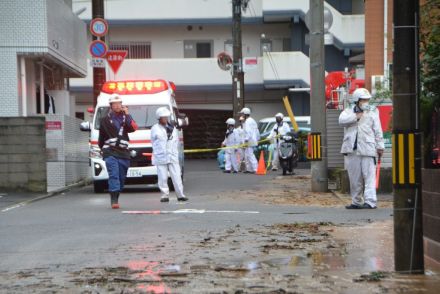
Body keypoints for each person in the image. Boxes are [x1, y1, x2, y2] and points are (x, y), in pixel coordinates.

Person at [339, 88, 384, 209]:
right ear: (357, 100)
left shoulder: (374, 111)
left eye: (367, 100)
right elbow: (341, 121)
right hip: (351, 149)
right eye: (363, 100)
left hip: (368, 148)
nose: (366, 102)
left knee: (369, 176)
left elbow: (378, 129)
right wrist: (356, 116)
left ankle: (370, 201)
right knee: (354, 178)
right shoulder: (348, 111)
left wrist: (380, 146)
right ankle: (356, 201)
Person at [98, 94, 138, 209]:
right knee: (113, 174)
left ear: (122, 105)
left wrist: (127, 114)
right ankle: (114, 200)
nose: (117, 106)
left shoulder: (126, 118)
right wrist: (102, 150)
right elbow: (101, 137)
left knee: (121, 177)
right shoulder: (104, 120)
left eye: (119, 103)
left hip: (123, 152)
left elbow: (134, 128)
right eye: (114, 104)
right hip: (110, 151)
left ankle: (116, 194)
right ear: (110, 106)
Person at [151, 107, 188, 203]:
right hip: (161, 156)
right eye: (163, 117)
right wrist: (157, 153)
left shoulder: (173, 128)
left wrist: (175, 153)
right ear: (159, 118)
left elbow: (176, 141)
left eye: (166, 117)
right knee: (162, 177)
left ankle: (180, 195)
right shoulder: (155, 128)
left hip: (172, 155)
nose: (166, 119)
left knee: (176, 176)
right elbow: (153, 142)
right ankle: (164, 195)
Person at [240, 107, 260, 173]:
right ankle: (249, 169)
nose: (241, 115)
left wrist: (246, 139)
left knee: (250, 154)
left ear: (245, 114)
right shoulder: (252, 120)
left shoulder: (248, 121)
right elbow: (257, 131)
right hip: (252, 140)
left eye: (242, 114)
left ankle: (256, 169)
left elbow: (248, 132)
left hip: (249, 140)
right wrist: (257, 138)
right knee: (247, 155)